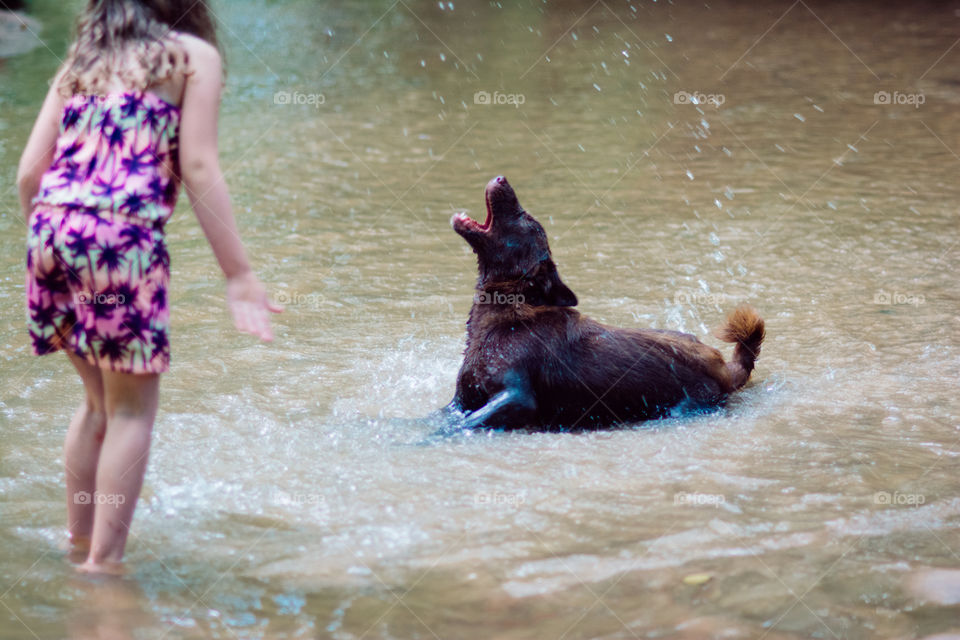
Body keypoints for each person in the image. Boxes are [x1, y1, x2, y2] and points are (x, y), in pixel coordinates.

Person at [16, 0, 282, 573]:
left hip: (51, 233)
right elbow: (201, 168)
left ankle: (77, 544)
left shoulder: (80, 64)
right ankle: (103, 568)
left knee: (97, 405)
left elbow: (28, 175)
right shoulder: (191, 58)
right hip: (118, 244)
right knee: (132, 413)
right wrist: (238, 275)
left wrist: (55, 239)